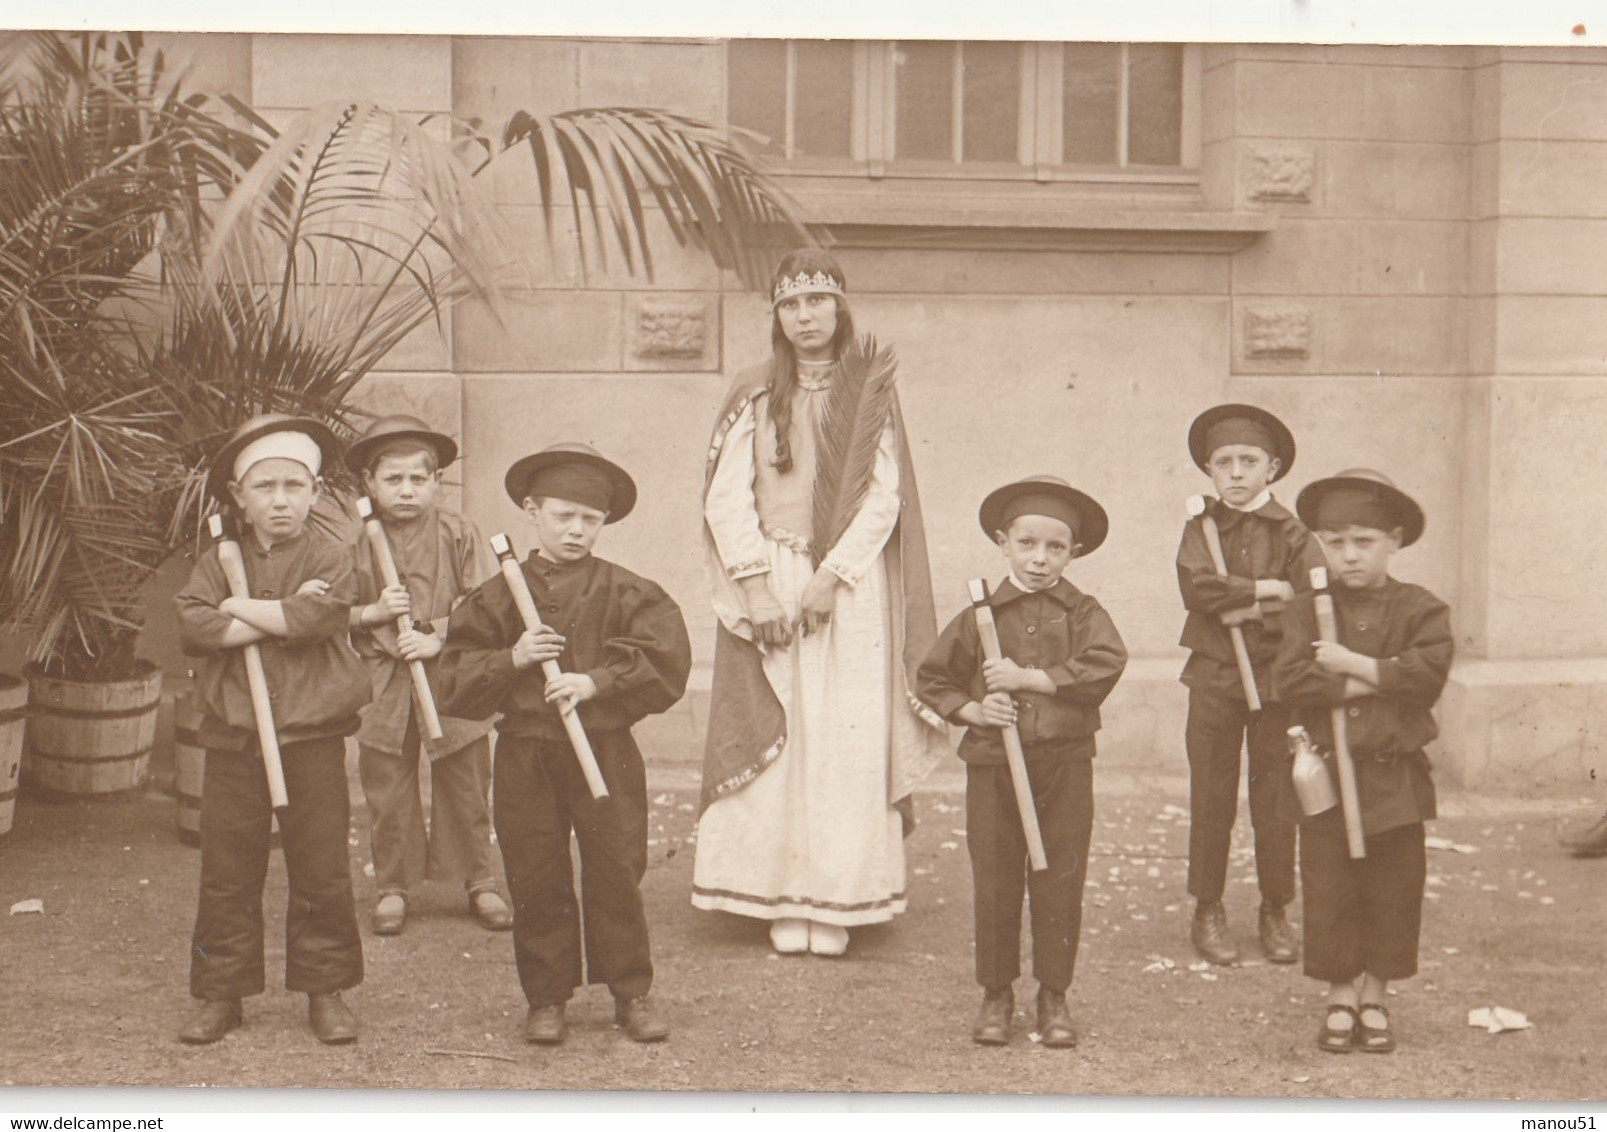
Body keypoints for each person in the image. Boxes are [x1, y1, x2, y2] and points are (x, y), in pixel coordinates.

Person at [692, 248, 948, 957]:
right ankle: (771, 890)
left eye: (817, 302)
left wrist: (830, 577)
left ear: (840, 309)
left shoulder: (868, 391)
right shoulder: (752, 390)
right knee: (782, 730)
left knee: (843, 736)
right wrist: (753, 584)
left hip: (847, 586)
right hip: (768, 573)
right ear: (776, 315)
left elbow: (882, 496)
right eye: (790, 304)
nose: (805, 317)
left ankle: (835, 894)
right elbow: (725, 496)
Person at [435, 443, 691, 1045]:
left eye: (590, 520)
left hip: (605, 750)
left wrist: (594, 681)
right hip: (527, 752)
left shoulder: (630, 592)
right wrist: (512, 658)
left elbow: (666, 664)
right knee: (535, 870)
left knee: (616, 868)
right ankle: (547, 997)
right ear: (532, 510)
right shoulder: (499, 594)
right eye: (563, 516)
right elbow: (454, 678)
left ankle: (631, 993)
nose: (577, 530)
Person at [173, 413, 370, 1046]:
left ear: (313, 492)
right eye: (264, 487)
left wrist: (238, 607)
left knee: (321, 867)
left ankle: (326, 990)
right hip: (235, 739)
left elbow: (318, 617)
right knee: (228, 868)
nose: (280, 500)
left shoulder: (330, 556)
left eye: (293, 485)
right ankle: (219, 993)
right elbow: (194, 626)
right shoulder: (215, 560)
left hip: (310, 738)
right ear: (239, 497)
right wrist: (275, 613)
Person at [916, 476, 1127, 1049]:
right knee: (996, 880)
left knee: (1060, 879)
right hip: (993, 769)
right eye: (1027, 543)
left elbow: (1107, 662)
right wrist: (974, 709)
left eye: (1055, 547)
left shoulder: (1083, 612)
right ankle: (996, 993)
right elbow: (932, 678)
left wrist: (1036, 679)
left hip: (1063, 767)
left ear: (1073, 552)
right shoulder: (977, 615)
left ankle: (1053, 995)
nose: (1040, 558)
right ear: (1002, 541)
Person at [1271, 468, 1453, 1055]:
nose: (1349, 555)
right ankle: (1340, 995)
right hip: (1325, 776)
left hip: (1394, 779)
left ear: (1395, 541)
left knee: (1392, 888)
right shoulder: (1305, 610)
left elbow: (1425, 677)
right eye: (1336, 541)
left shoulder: (1421, 609)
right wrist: (1380, 680)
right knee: (1330, 887)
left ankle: (1376, 994)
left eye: (1364, 541)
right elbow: (1291, 680)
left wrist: (1350, 663)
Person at [345, 414, 512, 936]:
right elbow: (338, 612)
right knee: (388, 786)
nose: (407, 491)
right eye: (392, 480)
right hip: (385, 678)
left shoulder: (458, 533)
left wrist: (439, 632)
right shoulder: (359, 544)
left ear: (437, 482)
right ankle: (392, 886)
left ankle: (479, 881)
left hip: (452, 673)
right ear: (369, 485)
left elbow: (487, 604)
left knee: (465, 780)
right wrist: (376, 618)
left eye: (419, 479)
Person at [1175, 404, 1325, 966]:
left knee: (1276, 799)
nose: (1236, 473)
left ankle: (1275, 907)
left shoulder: (1295, 533)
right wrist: (1267, 591)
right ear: (1209, 471)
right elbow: (1198, 589)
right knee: (1211, 796)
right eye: (1223, 463)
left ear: (1273, 467)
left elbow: (1310, 599)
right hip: (1214, 676)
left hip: (1277, 683)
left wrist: (1253, 602)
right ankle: (1208, 907)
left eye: (1248, 461)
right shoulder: (1201, 529)